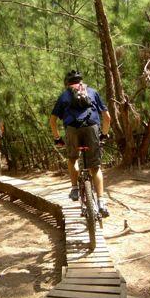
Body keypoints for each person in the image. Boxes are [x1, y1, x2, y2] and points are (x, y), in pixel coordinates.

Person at [49, 70, 111, 217]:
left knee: (72, 158)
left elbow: (52, 121)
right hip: (92, 128)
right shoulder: (92, 92)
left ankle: (75, 188)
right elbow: (106, 116)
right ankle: (101, 201)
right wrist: (104, 133)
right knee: (95, 167)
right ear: (81, 81)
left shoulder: (64, 96)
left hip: (72, 130)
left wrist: (57, 138)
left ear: (67, 83)